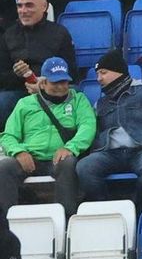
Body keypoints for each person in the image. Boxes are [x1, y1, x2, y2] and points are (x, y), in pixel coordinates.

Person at [76, 49, 142, 211]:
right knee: (84, 166)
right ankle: (105, 211)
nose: (99, 78)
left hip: (141, 151)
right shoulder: (99, 104)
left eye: (103, 73)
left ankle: (140, 211)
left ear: (118, 71)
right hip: (108, 154)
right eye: (97, 74)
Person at [0, 54, 87, 213]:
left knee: (68, 163)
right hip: (30, 158)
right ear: (43, 82)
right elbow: (8, 135)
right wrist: (19, 151)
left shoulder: (78, 99)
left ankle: (66, 219)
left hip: (59, 157)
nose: (61, 86)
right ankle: (5, 225)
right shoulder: (25, 103)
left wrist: (70, 148)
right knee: (4, 166)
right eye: (56, 82)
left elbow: (87, 127)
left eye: (64, 81)